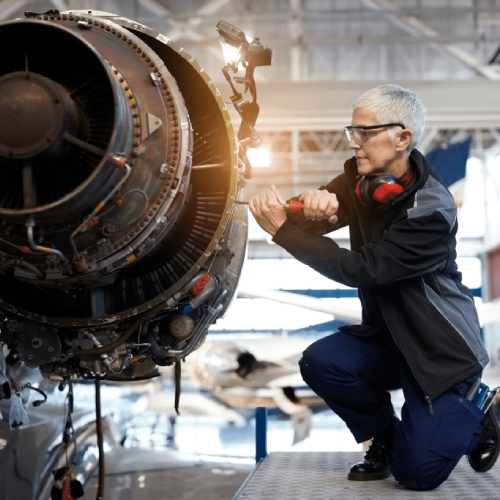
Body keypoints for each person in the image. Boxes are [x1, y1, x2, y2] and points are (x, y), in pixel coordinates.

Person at [248, 84, 500, 490]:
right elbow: (317, 215)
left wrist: (284, 232)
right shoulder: (360, 178)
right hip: (390, 341)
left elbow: (363, 268)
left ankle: (479, 412)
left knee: (416, 476)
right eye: (352, 131)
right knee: (322, 361)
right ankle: (384, 438)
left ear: (402, 138)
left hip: (439, 352)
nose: (354, 142)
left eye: (364, 132)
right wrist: (310, 205)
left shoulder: (432, 210)